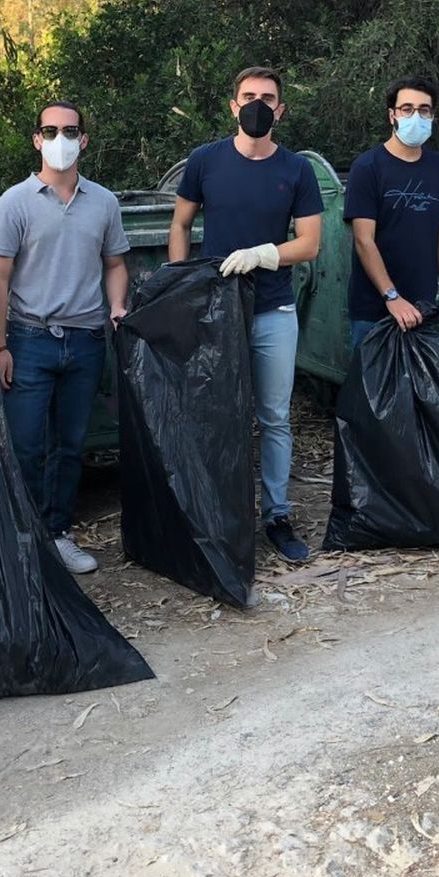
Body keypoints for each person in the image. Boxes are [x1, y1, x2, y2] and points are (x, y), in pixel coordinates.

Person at [169, 66, 324, 562]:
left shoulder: (296, 169)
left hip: (273, 307)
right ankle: (220, 516)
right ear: (234, 105)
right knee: (217, 414)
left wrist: (265, 254)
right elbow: (181, 223)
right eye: (249, 96)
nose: (258, 104)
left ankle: (277, 514)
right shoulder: (205, 161)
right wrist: (182, 285)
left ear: (280, 109)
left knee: (275, 417)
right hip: (216, 309)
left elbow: (311, 243)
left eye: (268, 98)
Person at [0, 101, 130, 575]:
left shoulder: (104, 202)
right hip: (29, 340)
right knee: (26, 444)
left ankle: (58, 533)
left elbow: (114, 263)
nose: (61, 139)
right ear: (37, 139)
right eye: (51, 130)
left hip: (86, 339)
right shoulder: (15, 202)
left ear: (84, 140)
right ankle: (24, 539)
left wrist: (116, 306)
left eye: (70, 131)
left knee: (71, 445)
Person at [344, 76, 439, 350]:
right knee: (371, 390)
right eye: (407, 109)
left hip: (424, 307)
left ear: (433, 116)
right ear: (392, 115)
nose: (415, 116)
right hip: (373, 310)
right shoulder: (367, 167)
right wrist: (391, 296)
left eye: (423, 110)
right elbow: (364, 240)